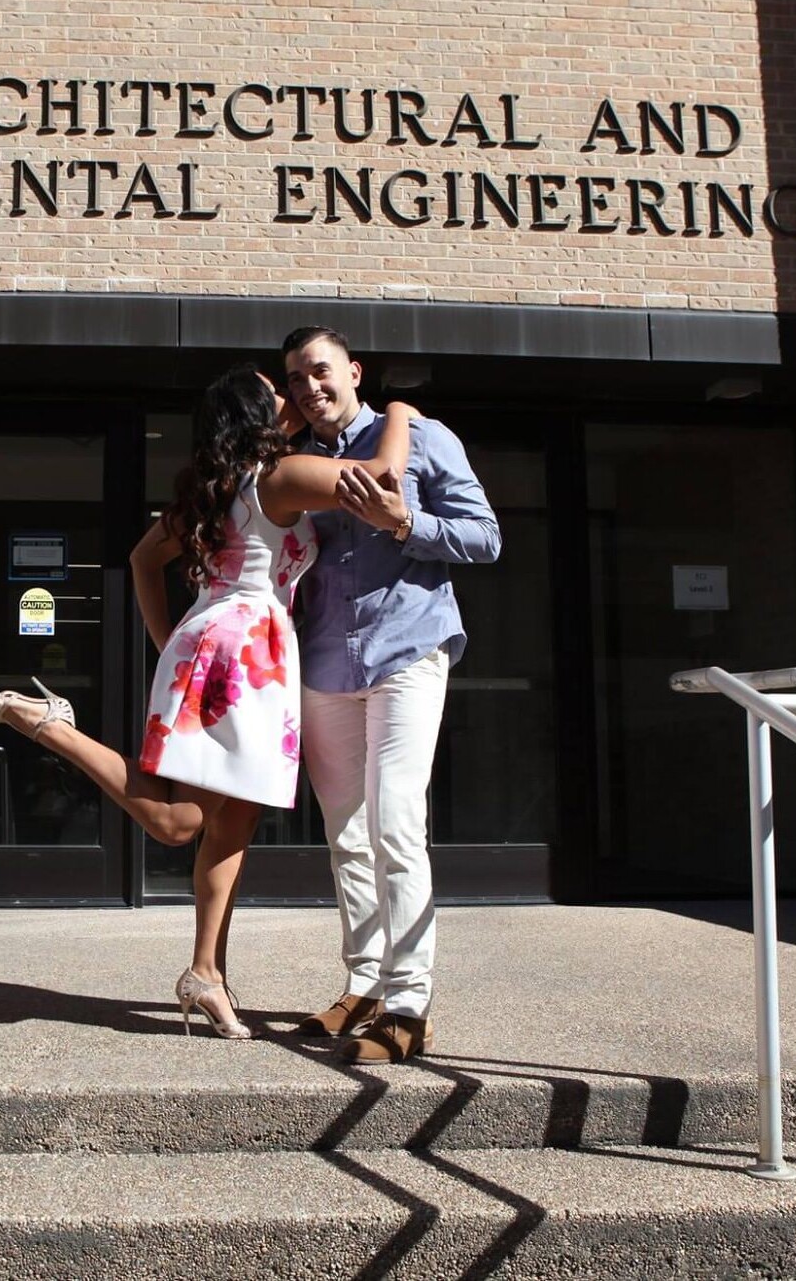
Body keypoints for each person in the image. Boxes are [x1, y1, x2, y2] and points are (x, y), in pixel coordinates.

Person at [0, 365, 415, 1040]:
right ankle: (49, 724)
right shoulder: (281, 475)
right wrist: (398, 414)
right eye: (275, 393)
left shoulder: (216, 487)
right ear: (254, 415)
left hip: (234, 646)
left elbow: (139, 559)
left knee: (234, 821)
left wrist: (170, 641)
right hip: (241, 650)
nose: (290, 397)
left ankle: (204, 972)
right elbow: (381, 481)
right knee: (181, 822)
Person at [283, 325, 501, 1065]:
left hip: (407, 647)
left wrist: (405, 522)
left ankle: (410, 1003)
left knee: (395, 822)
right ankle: (365, 983)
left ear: (352, 370)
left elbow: (486, 536)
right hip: (324, 662)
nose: (309, 387)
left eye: (319, 371)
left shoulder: (421, 436)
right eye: (295, 379)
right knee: (344, 831)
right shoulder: (298, 462)